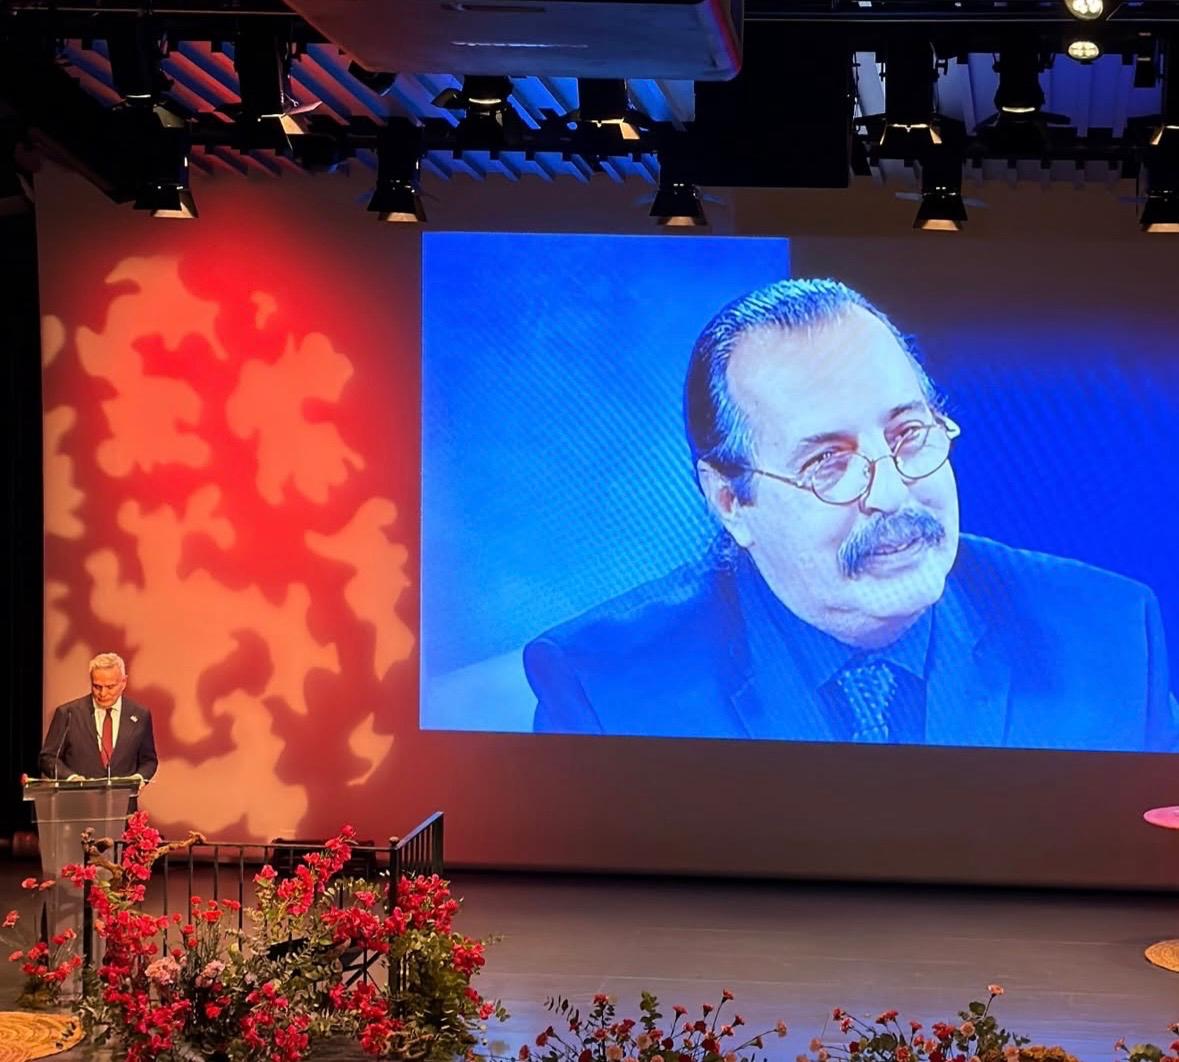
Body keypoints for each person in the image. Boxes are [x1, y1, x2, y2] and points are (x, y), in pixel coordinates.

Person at [523, 278, 1179, 751]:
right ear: (731, 502)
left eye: (907, 435)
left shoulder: (1110, 635)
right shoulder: (604, 687)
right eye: (827, 464)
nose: (892, 494)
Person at [39, 652, 159, 780]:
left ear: (123, 682)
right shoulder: (68, 714)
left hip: (123, 799)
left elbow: (149, 761)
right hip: (78, 798)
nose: (103, 693)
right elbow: (48, 758)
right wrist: (72, 778)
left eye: (110, 687)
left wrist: (138, 778)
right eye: (97, 686)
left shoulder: (140, 715)